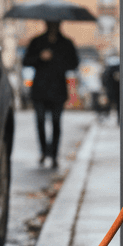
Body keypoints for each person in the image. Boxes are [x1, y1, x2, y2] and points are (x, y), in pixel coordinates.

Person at [23, 21, 79, 168]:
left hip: (58, 90)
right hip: (40, 90)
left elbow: (74, 63)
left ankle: (54, 154)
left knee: (56, 122)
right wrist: (40, 57)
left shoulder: (66, 43)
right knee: (40, 121)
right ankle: (43, 151)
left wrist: (57, 59)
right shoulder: (37, 42)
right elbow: (25, 61)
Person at [102, 54, 121, 124]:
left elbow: (104, 80)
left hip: (111, 90)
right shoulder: (118, 69)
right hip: (117, 91)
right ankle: (117, 119)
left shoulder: (108, 69)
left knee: (109, 104)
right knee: (118, 105)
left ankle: (107, 117)